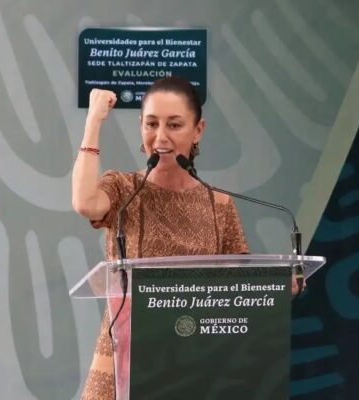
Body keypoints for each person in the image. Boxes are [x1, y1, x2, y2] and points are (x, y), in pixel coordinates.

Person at [71, 77, 249, 399]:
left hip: (191, 363)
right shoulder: (124, 189)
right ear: (140, 125)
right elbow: (85, 202)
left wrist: (280, 286)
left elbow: (242, 286)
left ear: (198, 130)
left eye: (175, 125)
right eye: (151, 123)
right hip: (121, 365)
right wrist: (93, 121)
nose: (161, 136)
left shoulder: (219, 204)